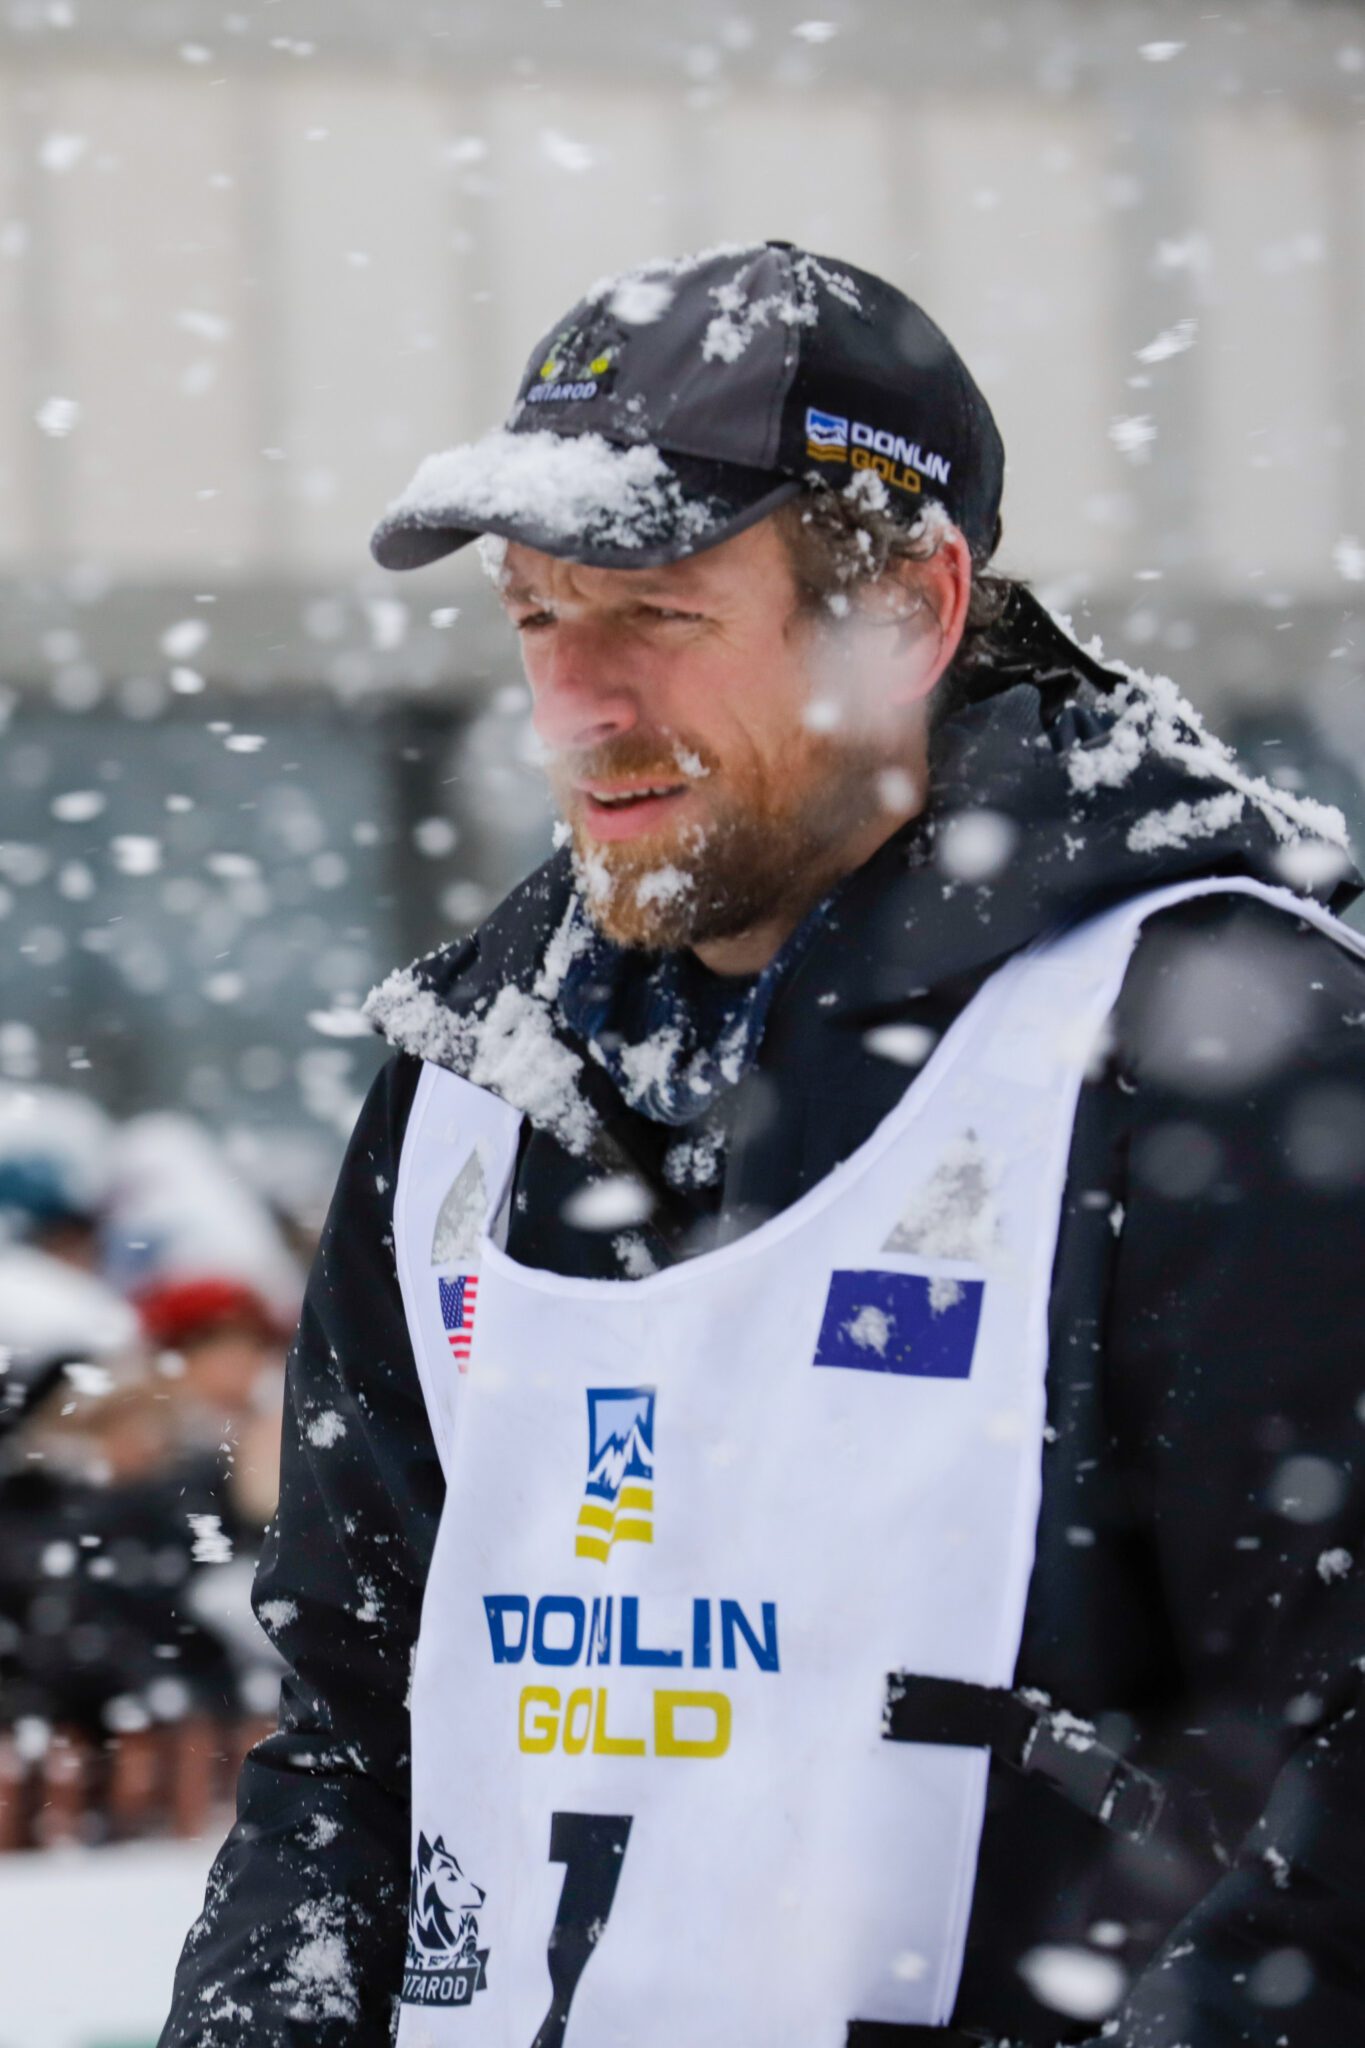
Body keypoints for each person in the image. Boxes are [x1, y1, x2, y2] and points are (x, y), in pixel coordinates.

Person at [160, 243, 1365, 2048]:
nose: (572, 707)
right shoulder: (474, 1075)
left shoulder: (1207, 1056)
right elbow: (354, 1723)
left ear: (913, 612)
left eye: (655, 613)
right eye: (536, 615)